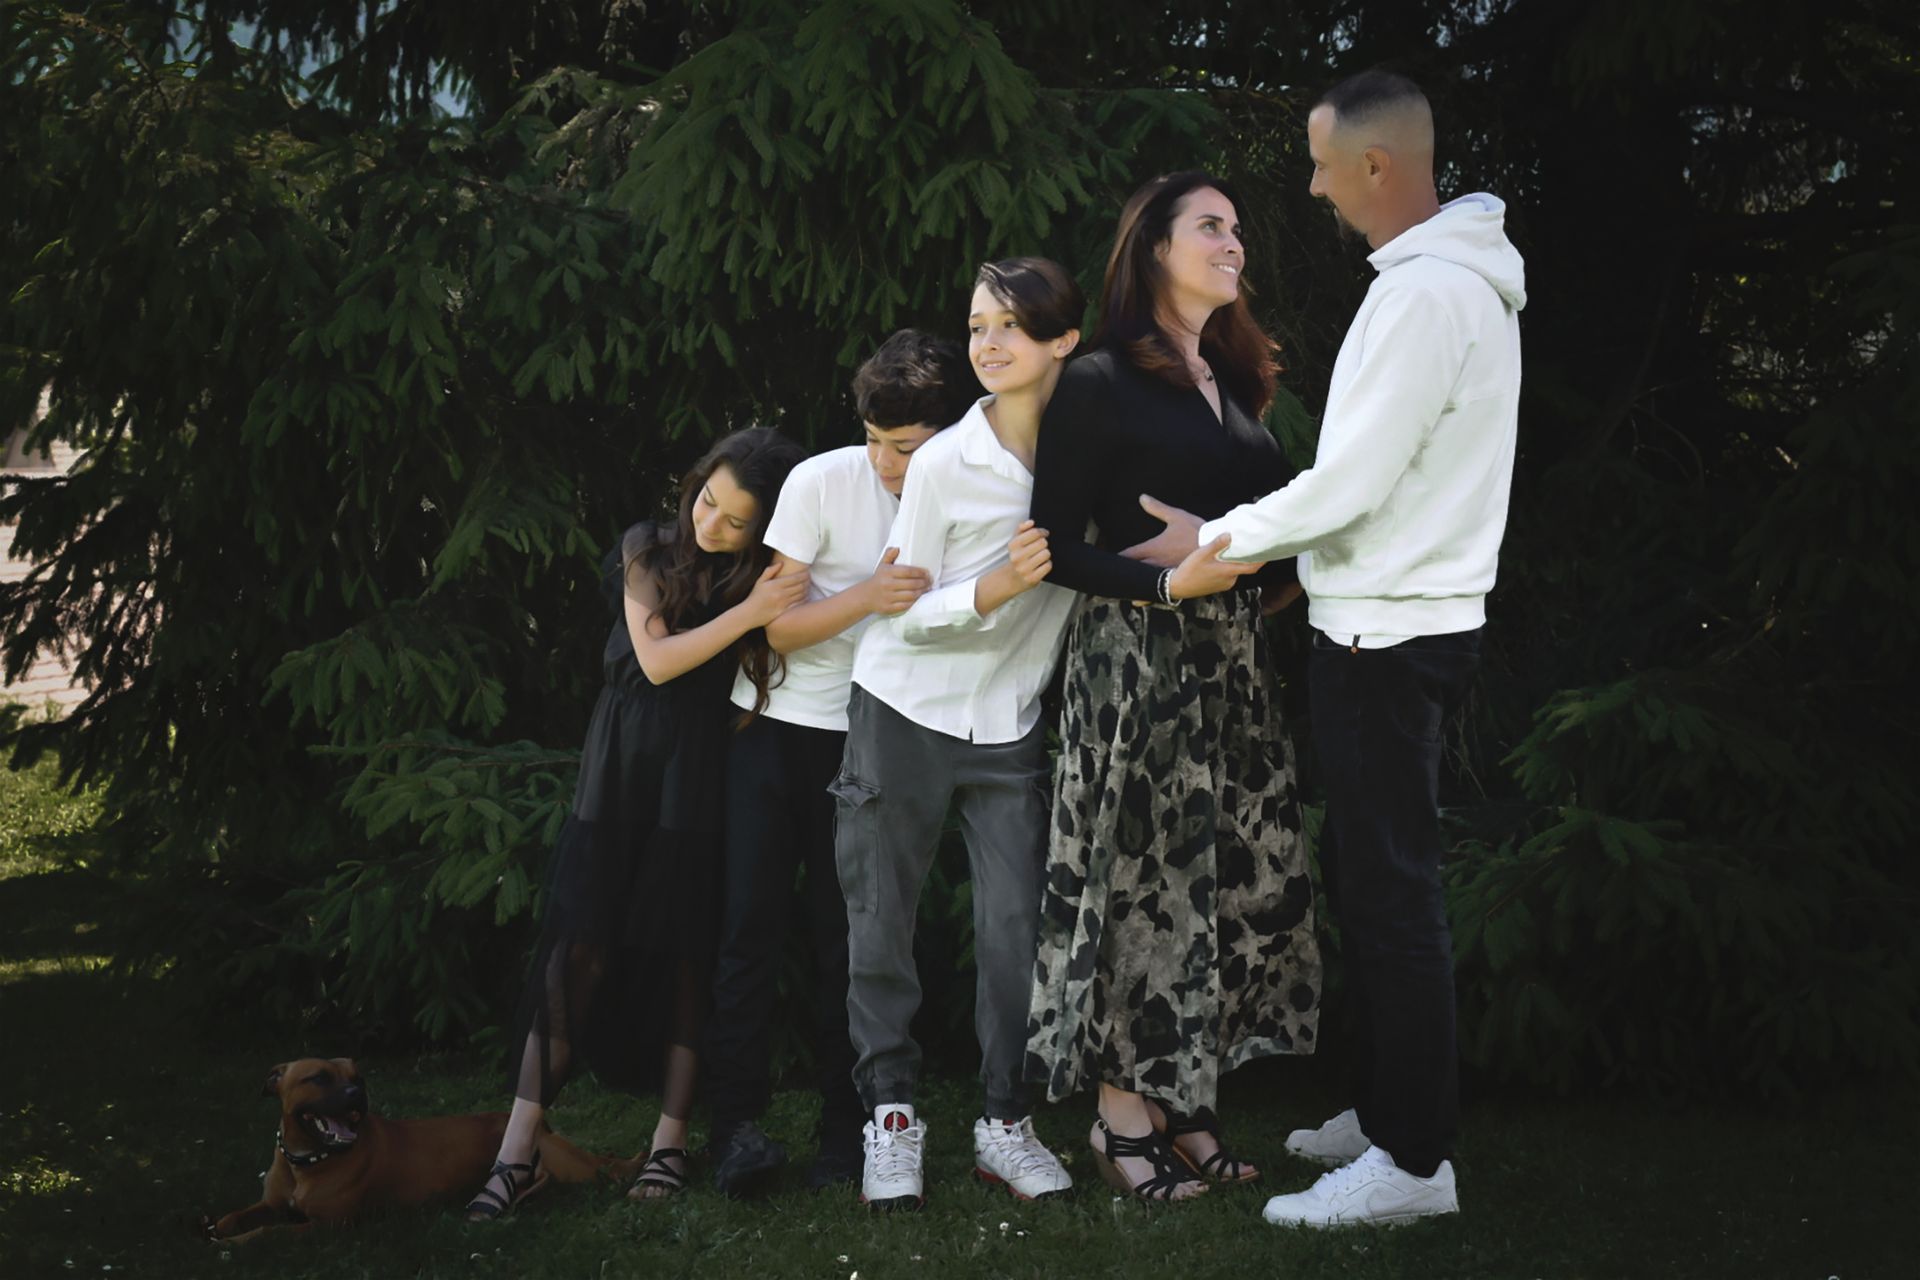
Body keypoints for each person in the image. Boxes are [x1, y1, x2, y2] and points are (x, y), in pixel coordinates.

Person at [1190, 70, 1526, 1227]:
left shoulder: (1431, 295)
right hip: (1379, 618)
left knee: (1392, 894)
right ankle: (1387, 1109)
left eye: (1324, 164)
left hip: (1390, 636)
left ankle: (1414, 1163)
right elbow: (1381, 482)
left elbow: (1355, 482)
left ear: (1376, 166)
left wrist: (1217, 542)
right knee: (1370, 876)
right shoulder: (1437, 283)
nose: (1313, 185)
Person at [1022, 172, 1323, 1203]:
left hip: (1232, 664)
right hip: (1136, 662)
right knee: (1140, 882)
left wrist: (1254, 576)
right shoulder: (1100, 379)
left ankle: (1186, 1104)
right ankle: (1120, 1114)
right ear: (1154, 246)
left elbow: (1266, 531)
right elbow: (1052, 548)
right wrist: (1163, 583)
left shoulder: (1232, 383)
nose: (1233, 242)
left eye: (1237, 228)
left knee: (1221, 879)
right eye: (1210, 226)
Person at [464, 428, 810, 1218]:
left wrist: (756, 604)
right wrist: (748, 614)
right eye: (707, 500)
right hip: (618, 769)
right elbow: (655, 660)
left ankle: (669, 1145)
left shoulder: (763, 577)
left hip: (699, 775)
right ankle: (517, 1151)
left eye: (735, 520)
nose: (710, 524)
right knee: (577, 948)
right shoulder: (647, 548)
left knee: (685, 951)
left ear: (763, 529)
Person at [703, 330, 979, 1197]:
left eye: (905, 448)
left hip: (876, 740)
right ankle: (734, 1129)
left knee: (849, 942)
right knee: (747, 930)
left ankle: (845, 1132)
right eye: (874, 441)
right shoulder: (822, 481)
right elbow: (776, 627)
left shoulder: (977, 498)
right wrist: (868, 597)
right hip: (772, 728)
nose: (885, 463)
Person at [833, 258, 1084, 1210]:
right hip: (902, 709)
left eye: (1010, 325)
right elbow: (901, 611)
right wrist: (995, 587)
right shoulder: (943, 462)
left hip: (1010, 719)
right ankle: (891, 1117)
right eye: (978, 325)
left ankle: (1004, 1121)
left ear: (1063, 341)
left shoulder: (1089, 447)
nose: (988, 343)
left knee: (1015, 925)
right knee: (881, 920)